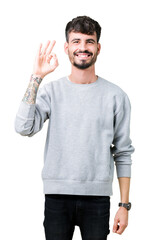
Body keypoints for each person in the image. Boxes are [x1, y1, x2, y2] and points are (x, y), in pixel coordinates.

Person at [14, 16, 135, 240]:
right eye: (76, 41)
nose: (83, 47)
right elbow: (24, 127)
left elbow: (123, 152)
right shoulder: (51, 92)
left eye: (89, 41)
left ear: (98, 48)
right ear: (67, 47)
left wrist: (124, 205)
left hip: (97, 200)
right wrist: (37, 77)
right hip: (57, 197)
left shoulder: (116, 96)